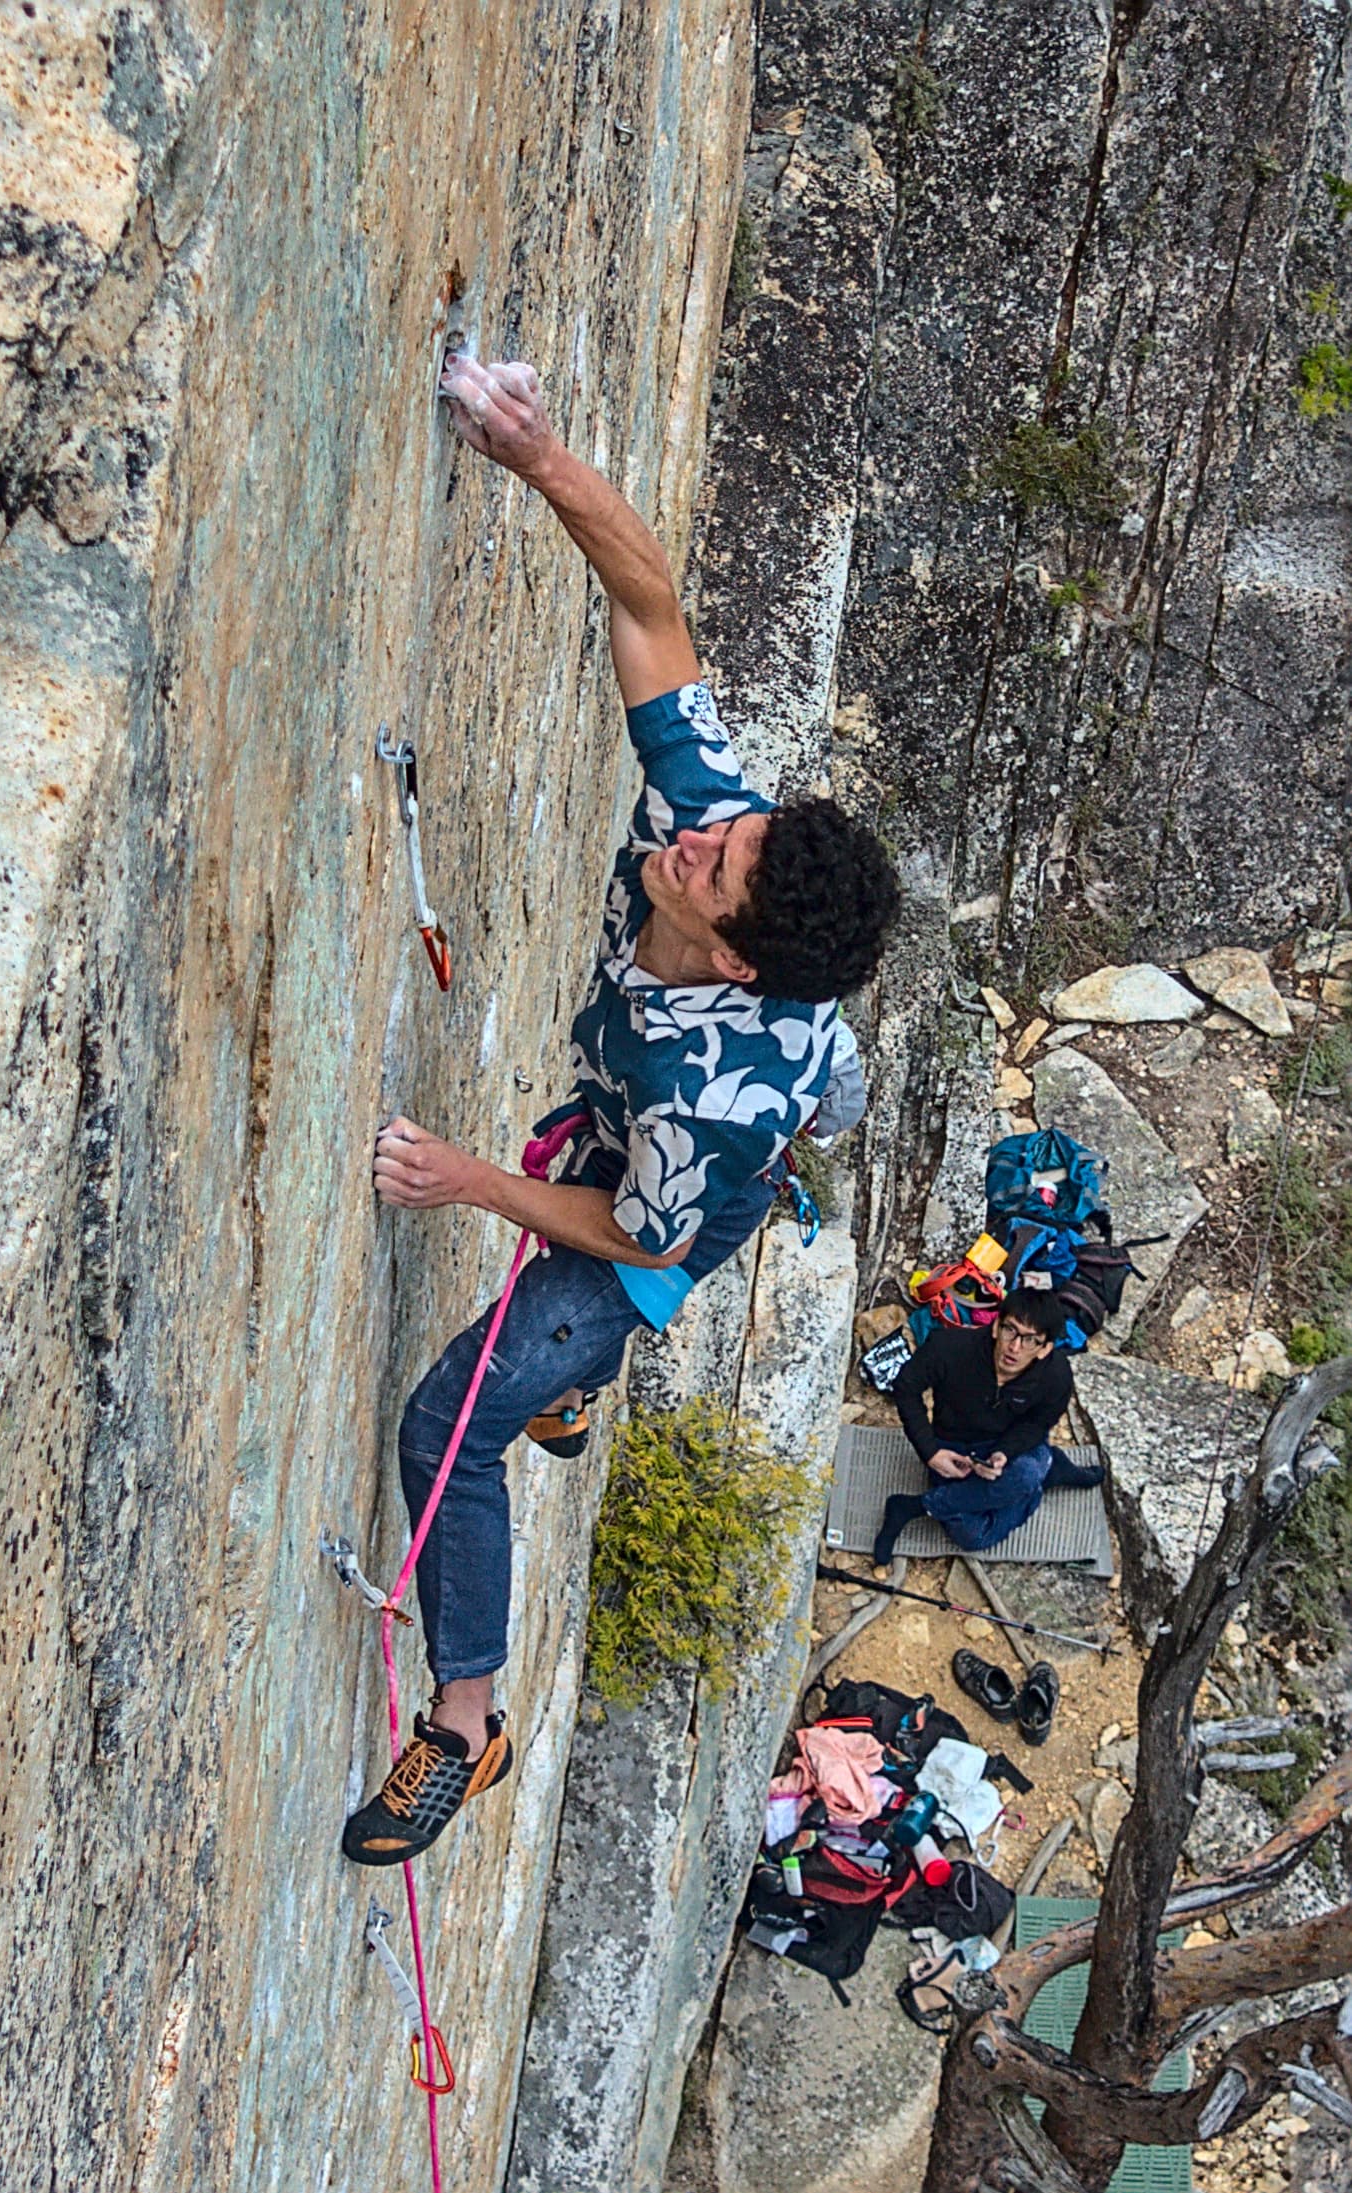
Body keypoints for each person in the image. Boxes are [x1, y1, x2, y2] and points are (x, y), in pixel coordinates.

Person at [341, 355, 903, 1867]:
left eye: (718, 861)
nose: (701, 832)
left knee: (446, 1425)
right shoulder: (710, 829)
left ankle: (465, 1720)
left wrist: (463, 1178)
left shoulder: (714, 1095)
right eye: (730, 826)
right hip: (673, 1109)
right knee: (599, 1248)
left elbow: (624, 1221)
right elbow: (653, 610)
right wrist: (538, 456)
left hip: (665, 1209)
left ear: (730, 949)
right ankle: (573, 1390)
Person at [873, 1289, 1098, 1565]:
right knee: (972, 1536)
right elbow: (906, 1387)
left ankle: (915, 1507)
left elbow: (1038, 1423)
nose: (1014, 1347)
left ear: (1045, 1348)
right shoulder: (949, 1347)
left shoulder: (1056, 1375)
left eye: (1030, 1340)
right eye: (1010, 1331)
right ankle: (1047, 1472)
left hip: (1010, 1446)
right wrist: (930, 1451)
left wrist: (1004, 1453)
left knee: (1026, 1473)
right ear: (995, 1326)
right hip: (953, 1445)